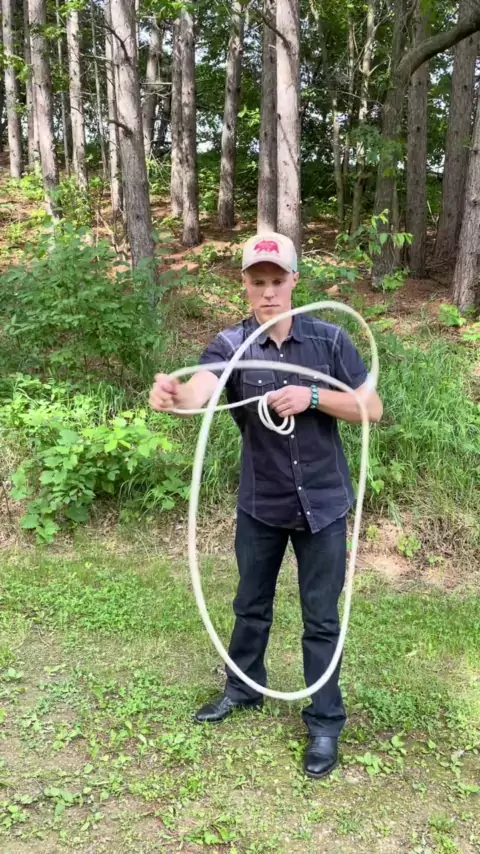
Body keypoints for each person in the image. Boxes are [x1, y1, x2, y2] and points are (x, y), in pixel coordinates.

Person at [150, 231, 383, 779]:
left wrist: (314, 397)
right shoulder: (231, 346)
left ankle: (325, 722)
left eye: (278, 281)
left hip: (323, 504)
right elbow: (200, 391)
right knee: (250, 603)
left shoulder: (329, 340)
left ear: (295, 281)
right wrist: (174, 396)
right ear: (246, 285)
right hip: (262, 502)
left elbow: (370, 408)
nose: (269, 292)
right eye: (258, 282)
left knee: (321, 615)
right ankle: (243, 689)